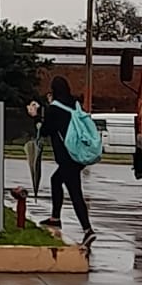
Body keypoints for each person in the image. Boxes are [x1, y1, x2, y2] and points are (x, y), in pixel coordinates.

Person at [27, 75, 95, 248]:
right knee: (56, 180)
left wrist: (35, 116)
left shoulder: (54, 109)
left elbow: (45, 130)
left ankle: (88, 230)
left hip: (67, 157)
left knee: (75, 192)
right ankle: (55, 218)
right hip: (78, 155)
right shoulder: (75, 104)